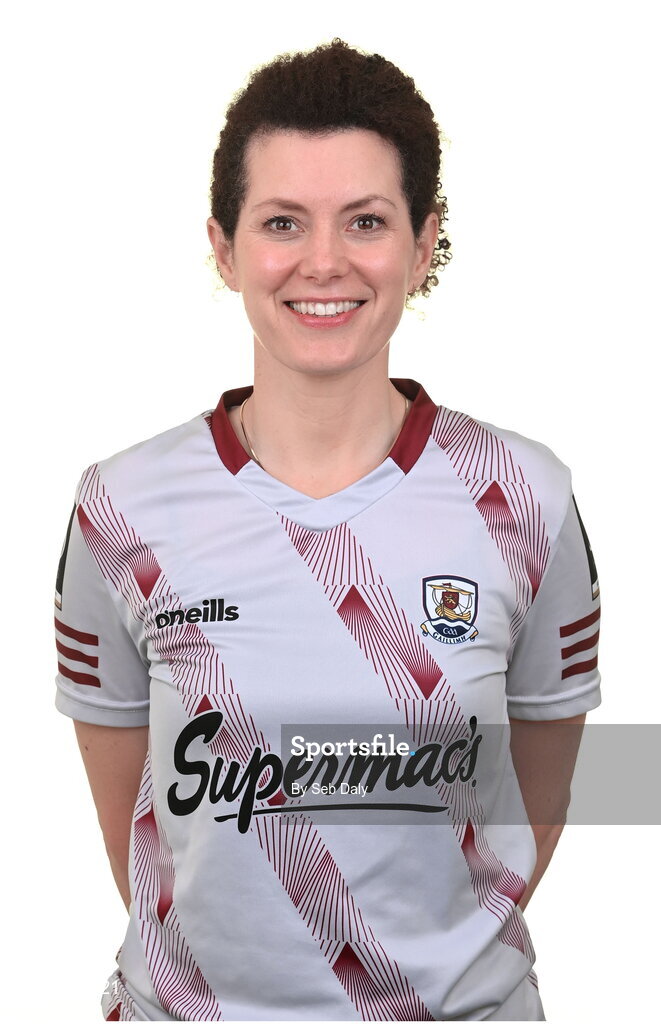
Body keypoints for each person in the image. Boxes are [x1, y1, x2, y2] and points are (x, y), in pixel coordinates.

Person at [54, 38, 601, 1022]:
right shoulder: (120, 508)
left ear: (424, 240)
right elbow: (137, 832)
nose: (322, 262)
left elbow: (539, 799)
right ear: (222, 246)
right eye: (281, 222)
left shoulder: (526, 498)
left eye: (364, 221)